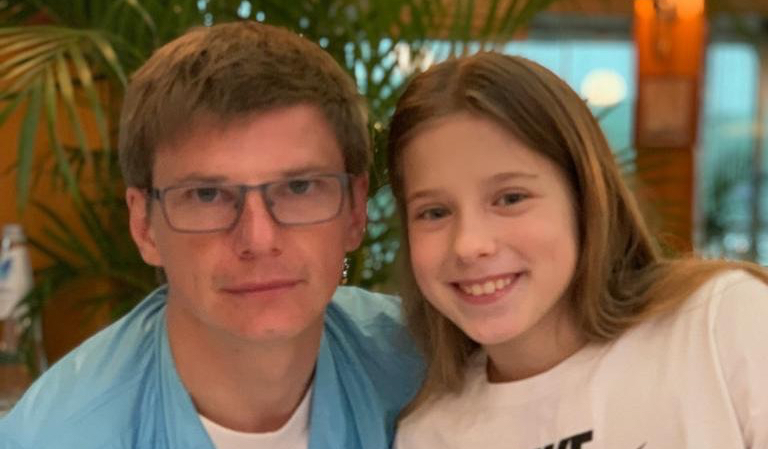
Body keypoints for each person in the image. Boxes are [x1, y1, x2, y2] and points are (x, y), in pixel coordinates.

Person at [0, 21, 422, 449]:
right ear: (144, 226)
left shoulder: (427, 368)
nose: (259, 240)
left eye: (299, 187)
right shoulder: (53, 438)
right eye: (207, 195)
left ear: (355, 211)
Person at [387, 52, 768, 449]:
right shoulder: (428, 434)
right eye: (434, 212)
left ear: (585, 198)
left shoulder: (722, 322)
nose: (469, 245)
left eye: (510, 198)